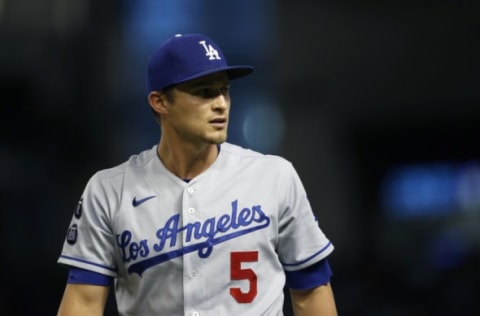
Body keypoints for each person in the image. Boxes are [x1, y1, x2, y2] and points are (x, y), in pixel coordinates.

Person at [57, 33, 337, 316]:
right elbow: (84, 301)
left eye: (224, 90)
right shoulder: (109, 190)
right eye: (204, 92)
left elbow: (312, 290)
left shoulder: (275, 177)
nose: (221, 103)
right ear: (160, 102)